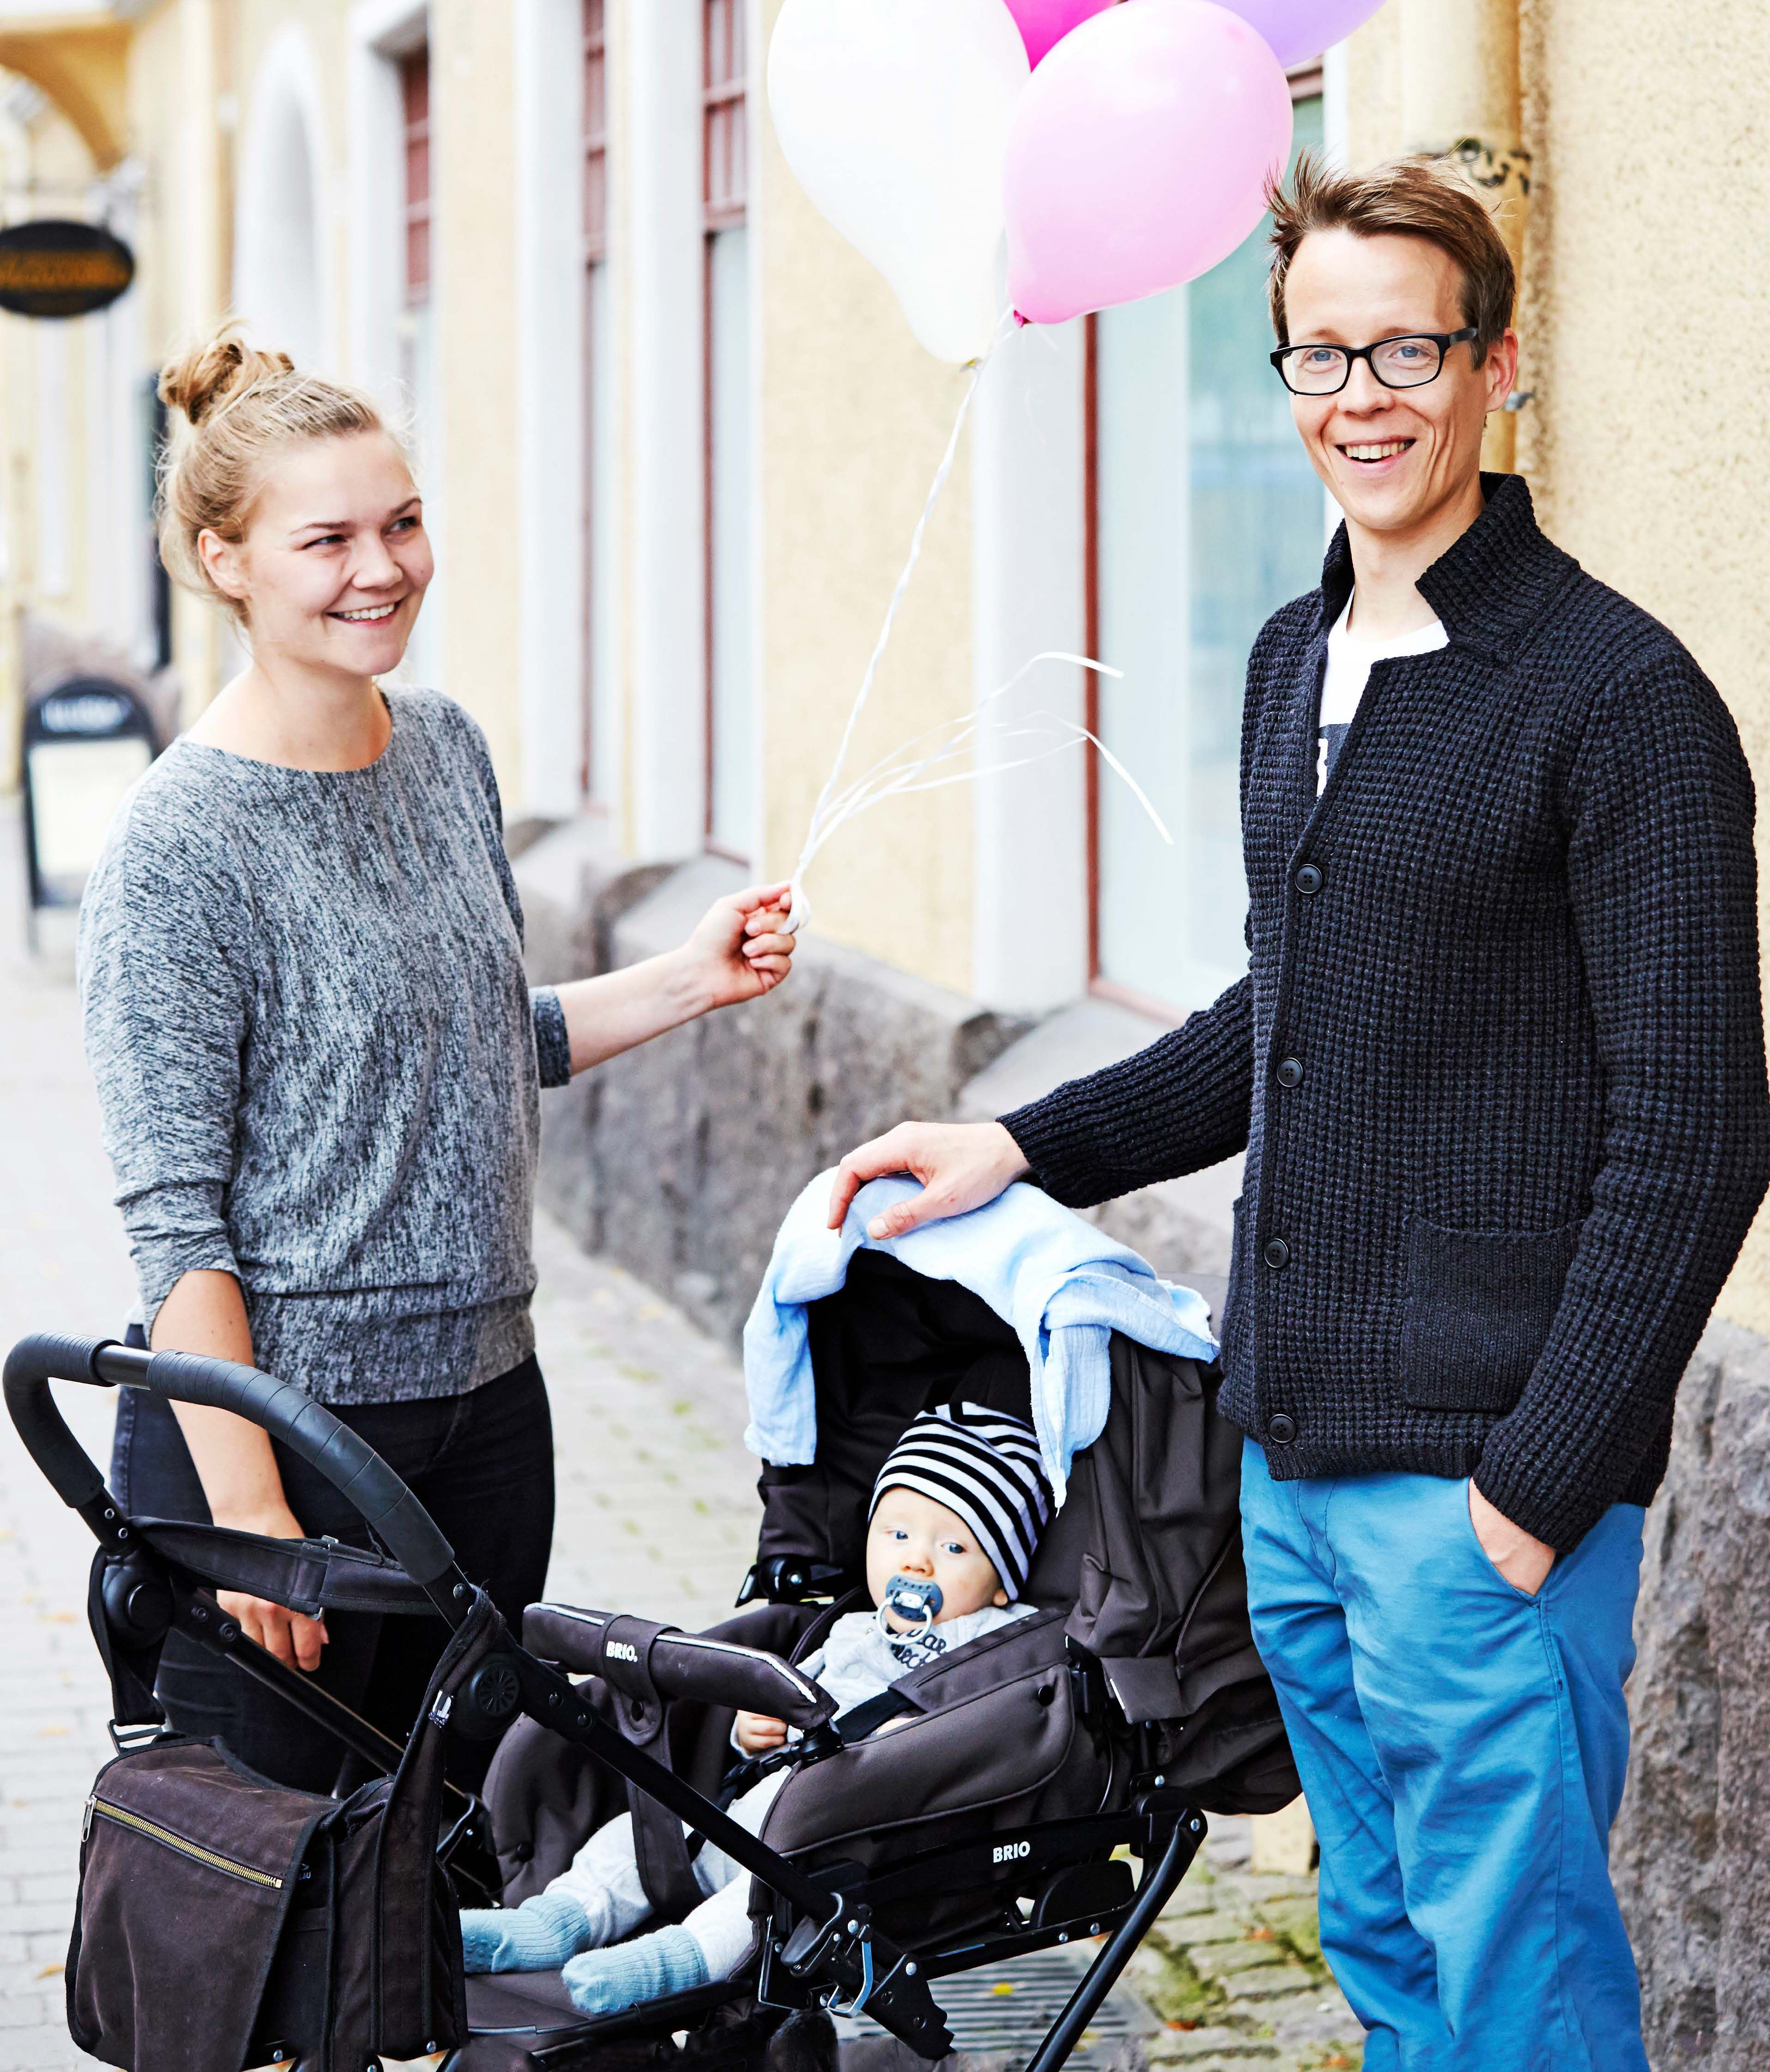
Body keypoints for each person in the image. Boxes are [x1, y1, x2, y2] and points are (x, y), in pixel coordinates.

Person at [824, 156, 1770, 2070]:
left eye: (1407, 346)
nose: (1363, 394)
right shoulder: (1289, 659)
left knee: (1521, 1975)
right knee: (1379, 1937)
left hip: (1481, 1481)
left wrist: (1545, 1478)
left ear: (1495, 364)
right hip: (1293, 1456)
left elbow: (1695, 1124)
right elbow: (1293, 1009)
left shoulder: (1616, 697)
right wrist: (1022, 1142)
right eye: (1318, 352)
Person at [81, 329, 797, 1790]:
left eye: (401, 523)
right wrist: (255, 1522)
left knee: (455, 1856)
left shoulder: (445, 748)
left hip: (490, 1408)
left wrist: (688, 979)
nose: (383, 567)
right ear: (226, 562)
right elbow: (177, 1223)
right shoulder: (177, 848)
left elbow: (476, 1047)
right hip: (290, 1438)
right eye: (327, 538)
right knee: (286, 1913)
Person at [459, 1402, 1051, 2015]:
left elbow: (989, 1734)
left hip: (828, 1846)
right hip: (747, 1809)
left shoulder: (998, 1647)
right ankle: (550, 1923)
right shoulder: (849, 1630)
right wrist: (753, 1732)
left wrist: (912, 1741)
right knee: (641, 1834)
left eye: (953, 1545)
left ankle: (671, 1962)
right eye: (896, 1534)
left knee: (757, 1906)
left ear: (1003, 1578)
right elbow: (794, 1698)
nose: (915, 1561)